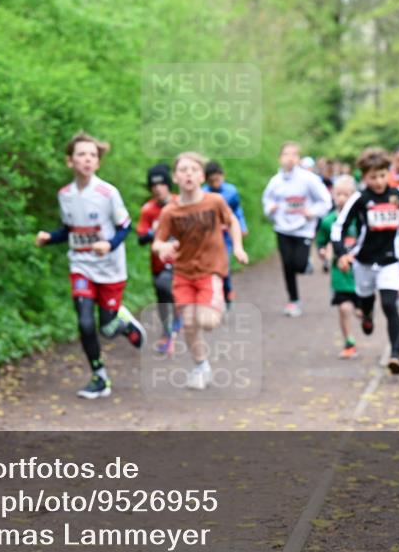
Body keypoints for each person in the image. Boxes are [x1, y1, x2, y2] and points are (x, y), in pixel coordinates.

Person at [35, 131, 146, 400]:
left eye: (92, 155)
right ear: (69, 161)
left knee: (106, 329)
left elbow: (125, 227)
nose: (87, 159)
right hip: (81, 266)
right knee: (85, 323)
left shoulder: (107, 193)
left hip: (110, 269)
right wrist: (50, 237)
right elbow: (71, 230)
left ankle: (123, 322)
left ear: (98, 162)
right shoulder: (65, 195)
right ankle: (99, 377)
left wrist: (109, 244)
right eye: (81, 154)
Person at [152, 152, 248, 391]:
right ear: (175, 177)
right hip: (183, 273)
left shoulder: (214, 201)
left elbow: (233, 221)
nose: (188, 174)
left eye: (194, 170)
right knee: (188, 323)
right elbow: (157, 242)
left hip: (210, 270)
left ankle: (218, 304)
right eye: (183, 170)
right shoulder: (170, 212)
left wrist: (237, 247)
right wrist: (163, 247)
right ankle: (200, 366)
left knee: (207, 322)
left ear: (202, 176)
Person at [333, 147, 399, 375]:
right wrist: (341, 252)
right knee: (366, 301)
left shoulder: (398, 196)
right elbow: (339, 228)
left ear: (388, 173)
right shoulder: (360, 199)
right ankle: (367, 315)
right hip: (364, 261)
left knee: (390, 304)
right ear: (364, 177)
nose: (379, 181)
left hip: (389, 261)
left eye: (382, 175)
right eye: (373, 177)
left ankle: (396, 355)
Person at [261, 142, 332, 317]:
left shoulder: (308, 179)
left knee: (298, 265)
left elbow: (325, 200)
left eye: (294, 154)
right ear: (280, 158)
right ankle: (293, 300)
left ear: (298, 158)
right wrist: (270, 209)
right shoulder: (275, 181)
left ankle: (305, 263)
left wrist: (312, 212)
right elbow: (267, 200)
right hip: (282, 229)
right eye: (286, 154)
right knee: (287, 265)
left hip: (303, 229)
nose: (290, 158)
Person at [136, 164, 180, 353]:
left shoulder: (181, 203)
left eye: (161, 184)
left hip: (182, 262)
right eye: (153, 185)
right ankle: (167, 331)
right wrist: (154, 231)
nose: (157, 188)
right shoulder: (148, 210)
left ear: (168, 184)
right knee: (162, 296)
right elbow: (141, 237)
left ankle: (177, 322)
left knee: (168, 287)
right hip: (158, 262)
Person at [316, 175, 361, 359]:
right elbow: (321, 242)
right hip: (340, 274)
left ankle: (366, 315)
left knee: (360, 311)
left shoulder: (360, 219)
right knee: (344, 308)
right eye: (338, 194)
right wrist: (323, 252)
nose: (342, 198)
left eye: (346, 194)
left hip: (361, 273)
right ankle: (349, 342)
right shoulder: (328, 221)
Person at [202, 160, 248, 310]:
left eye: (218, 179)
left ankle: (227, 293)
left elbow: (237, 211)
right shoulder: (203, 193)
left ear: (223, 176)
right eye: (211, 181)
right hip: (209, 237)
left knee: (224, 267)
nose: (215, 183)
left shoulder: (231, 192)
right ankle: (215, 297)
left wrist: (242, 226)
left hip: (226, 236)